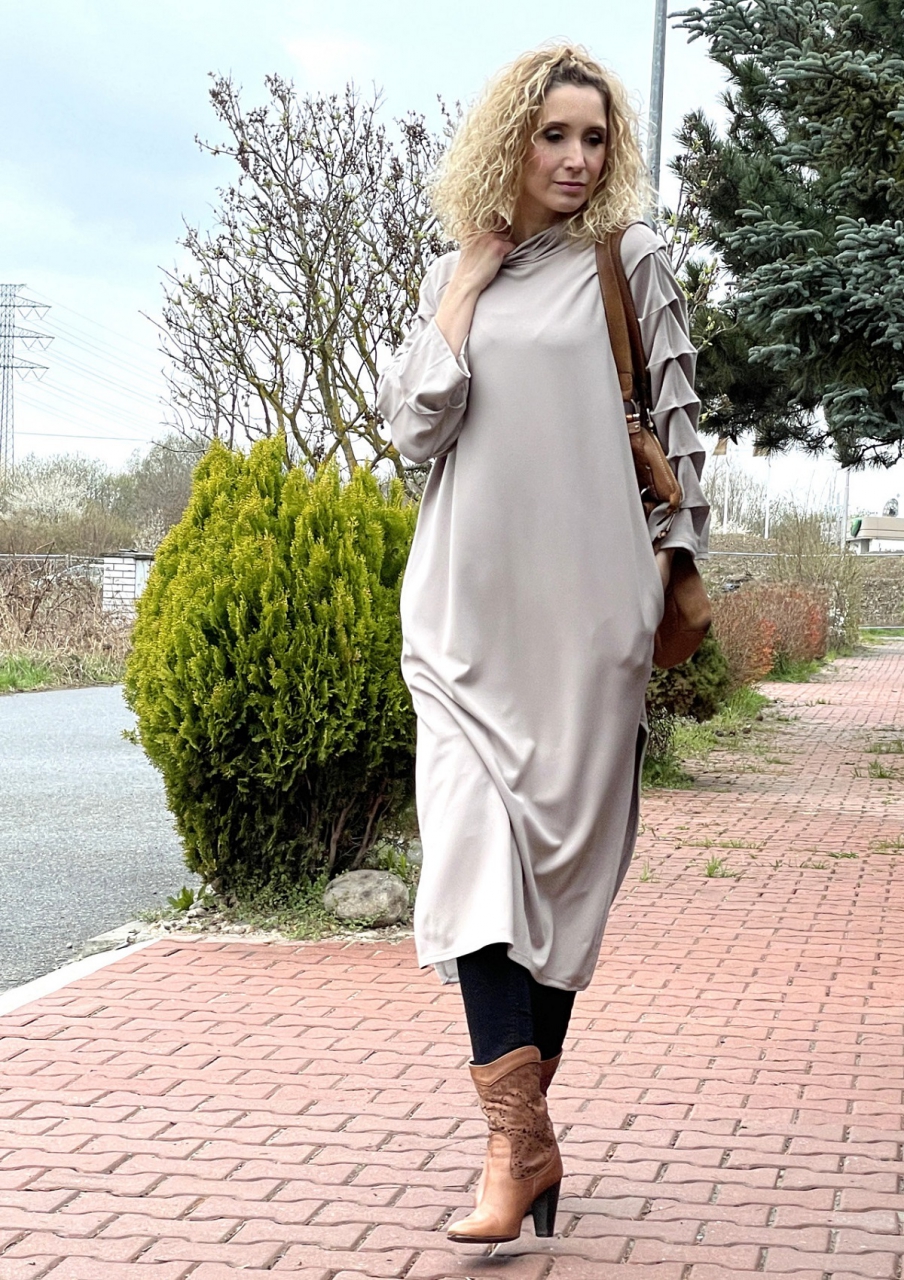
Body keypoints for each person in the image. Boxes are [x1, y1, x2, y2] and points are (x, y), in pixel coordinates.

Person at [377, 44, 710, 1245]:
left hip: (589, 623)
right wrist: (465, 283)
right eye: (552, 135)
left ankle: (521, 1150)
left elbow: (683, 440)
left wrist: (666, 580)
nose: (574, 159)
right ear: (509, 142)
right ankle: (512, 1146)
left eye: (593, 139)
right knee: (473, 865)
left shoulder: (629, 259)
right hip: (464, 620)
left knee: (564, 890)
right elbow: (414, 428)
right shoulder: (453, 272)